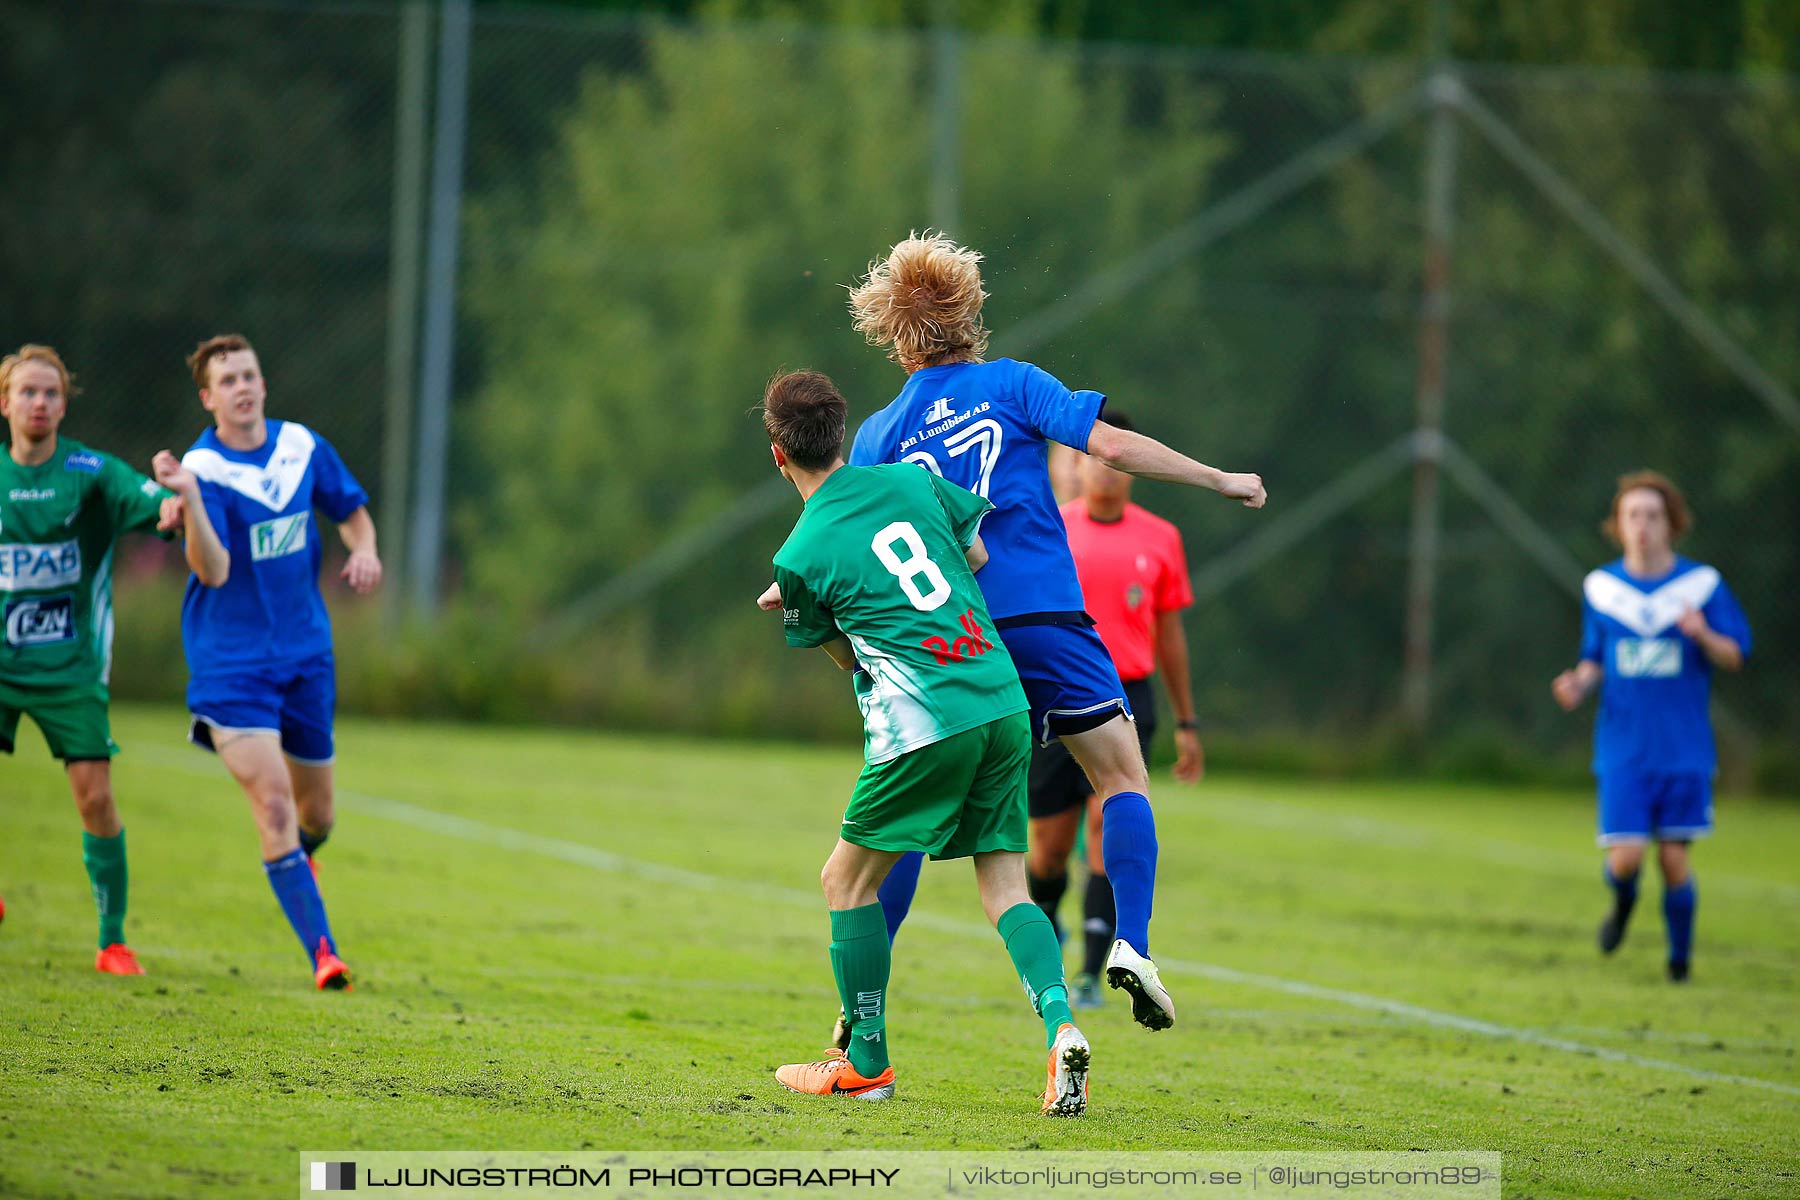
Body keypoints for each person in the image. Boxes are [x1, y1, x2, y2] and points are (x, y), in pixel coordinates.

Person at [842, 231, 1266, 1032]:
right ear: (970, 313)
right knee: (1122, 780)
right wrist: (1218, 478)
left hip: (950, 643)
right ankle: (1132, 943)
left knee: (903, 824)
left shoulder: (878, 433)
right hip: (1046, 620)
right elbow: (1111, 446)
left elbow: (856, 541)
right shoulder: (1014, 383)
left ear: (894, 331)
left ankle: (864, 1013)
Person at [758, 369, 1091, 1116]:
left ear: (778, 456)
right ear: (842, 437)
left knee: (846, 883)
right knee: (1006, 886)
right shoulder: (914, 483)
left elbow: (847, 656)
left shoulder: (800, 555)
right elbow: (973, 559)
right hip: (1001, 699)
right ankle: (1061, 1025)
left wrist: (805, 601)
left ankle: (866, 1061)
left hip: (926, 720)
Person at [0, 343, 219, 974]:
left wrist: (175, 507)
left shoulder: (90, 470)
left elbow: (152, 505)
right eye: (28, 392)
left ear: (63, 405)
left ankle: (112, 941)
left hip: (70, 669)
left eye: (50, 393)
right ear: (6, 403)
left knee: (94, 798)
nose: (39, 402)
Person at [178, 334, 382, 990]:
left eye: (250, 375)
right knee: (273, 808)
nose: (242, 387)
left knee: (315, 815)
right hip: (231, 665)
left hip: (305, 655)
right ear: (208, 398)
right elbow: (212, 570)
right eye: (227, 379)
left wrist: (365, 549)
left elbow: (351, 511)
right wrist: (187, 502)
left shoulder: (301, 447)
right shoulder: (201, 472)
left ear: (264, 384)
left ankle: (295, 863)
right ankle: (324, 954)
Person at [1028, 409, 1204, 1010]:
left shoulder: (1161, 539)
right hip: (1055, 692)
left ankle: (1094, 969)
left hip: (1129, 692)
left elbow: (1170, 635)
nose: (1104, 470)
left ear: (1130, 468)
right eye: (1091, 457)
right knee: (1048, 847)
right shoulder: (1051, 527)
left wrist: (1187, 721)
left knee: (1107, 823)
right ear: (1076, 464)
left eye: (1114, 459)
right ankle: (1049, 928)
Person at [1552, 471, 1750, 983]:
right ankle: (1621, 906)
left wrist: (1703, 633)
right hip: (1623, 747)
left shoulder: (1700, 586)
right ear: (1618, 525)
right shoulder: (1604, 589)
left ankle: (1679, 964)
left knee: (1674, 862)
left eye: (1653, 516)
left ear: (1672, 524)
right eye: (1632, 515)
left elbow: (1735, 655)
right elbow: (1595, 657)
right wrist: (1578, 684)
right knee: (1626, 857)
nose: (1643, 525)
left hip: (1682, 748)